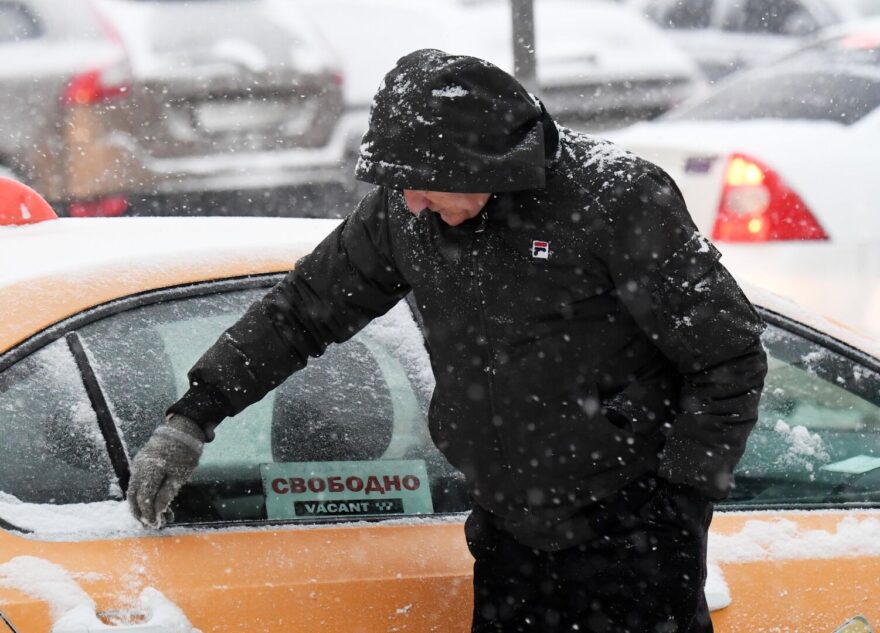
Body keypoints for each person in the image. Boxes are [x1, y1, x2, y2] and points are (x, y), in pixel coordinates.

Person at [128, 49, 767, 632]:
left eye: (422, 182)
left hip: (631, 537)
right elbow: (302, 311)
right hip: (507, 535)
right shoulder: (407, 214)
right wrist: (196, 414)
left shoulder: (615, 198)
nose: (410, 200)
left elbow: (729, 355)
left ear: (483, 160)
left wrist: (678, 505)